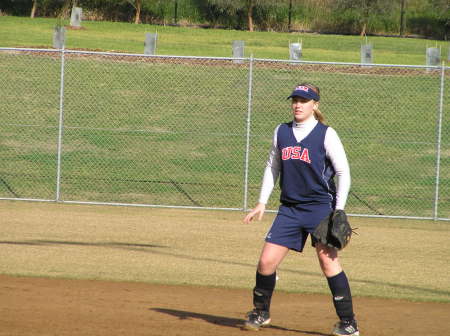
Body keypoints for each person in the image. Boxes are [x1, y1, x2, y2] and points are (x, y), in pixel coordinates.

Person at [243, 83, 359, 336]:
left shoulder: (326, 134)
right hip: (290, 209)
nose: (298, 104)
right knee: (266, 262)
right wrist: (262, 202)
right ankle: (261, 312)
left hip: (319, 208)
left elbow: (343, 172)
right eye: (295, 100)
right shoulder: (281, 132)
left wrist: (338, 209)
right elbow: (272, 167)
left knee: (328, 263)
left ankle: (348, 323)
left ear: (315, 105)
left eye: (304, 101)